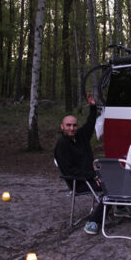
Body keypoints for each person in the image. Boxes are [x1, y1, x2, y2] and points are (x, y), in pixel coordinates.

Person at [54, 93, 105, 235]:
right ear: (62, 126)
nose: (72, 128)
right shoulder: (62, 145)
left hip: (90, 177)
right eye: (68, 125)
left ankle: (118, 207)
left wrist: (93, 107)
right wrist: (94, 175)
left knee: (115, 179)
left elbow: (90, 123)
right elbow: (70, 171)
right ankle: (94, 221)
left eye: (74, 125)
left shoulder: (81, 136)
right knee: (111, 188)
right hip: (79, 182)